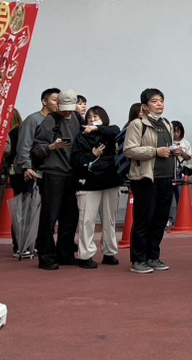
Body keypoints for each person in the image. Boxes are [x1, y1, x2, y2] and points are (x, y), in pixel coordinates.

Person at [123, 89, 183, 273]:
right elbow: (129, 150)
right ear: (145, 106)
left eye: (161, 101)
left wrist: (174, 151)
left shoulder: (166, 124)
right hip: (145, 178)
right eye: (155, 101)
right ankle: (138, 259)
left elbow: (166, 147)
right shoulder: (137, 124)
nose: (159, 104)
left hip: (166, 177)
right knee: (144, 219)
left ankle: (153, 256)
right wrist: (155, 151)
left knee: (160, 220)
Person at [31, 87, 83, 271]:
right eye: (64, 108)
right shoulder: (50, 120)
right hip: (54, 173)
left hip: (72, 173)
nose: (67, 112)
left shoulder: (78, 119)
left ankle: (65, 253)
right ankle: (46, 256)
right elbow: (37, 148)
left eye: (70, 108)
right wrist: (52, 147)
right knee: (49, 217)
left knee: (70, 216)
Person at [72, 106, 122, 268]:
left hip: (111, 182)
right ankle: (85, 255)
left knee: (110, 220)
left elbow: (116, 130)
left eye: (96, 117)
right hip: (89, 184)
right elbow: (76, 161)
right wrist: (92, 155)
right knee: (86, 221)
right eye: (90, 118)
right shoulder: (81, 137)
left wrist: (98, 128)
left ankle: (109, 252)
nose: (92, 120)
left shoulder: (110, 133)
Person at [9, 88, 56, 261]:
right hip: (28, 171)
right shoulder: (33, 120)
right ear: (44, 101)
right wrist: (26, 167)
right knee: (24, 210)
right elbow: (24, 145)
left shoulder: (56, 120)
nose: (58, 103)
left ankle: (37, 244)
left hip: (47, 171)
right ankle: (21, 246)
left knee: (42, 210)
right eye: (54, 100)